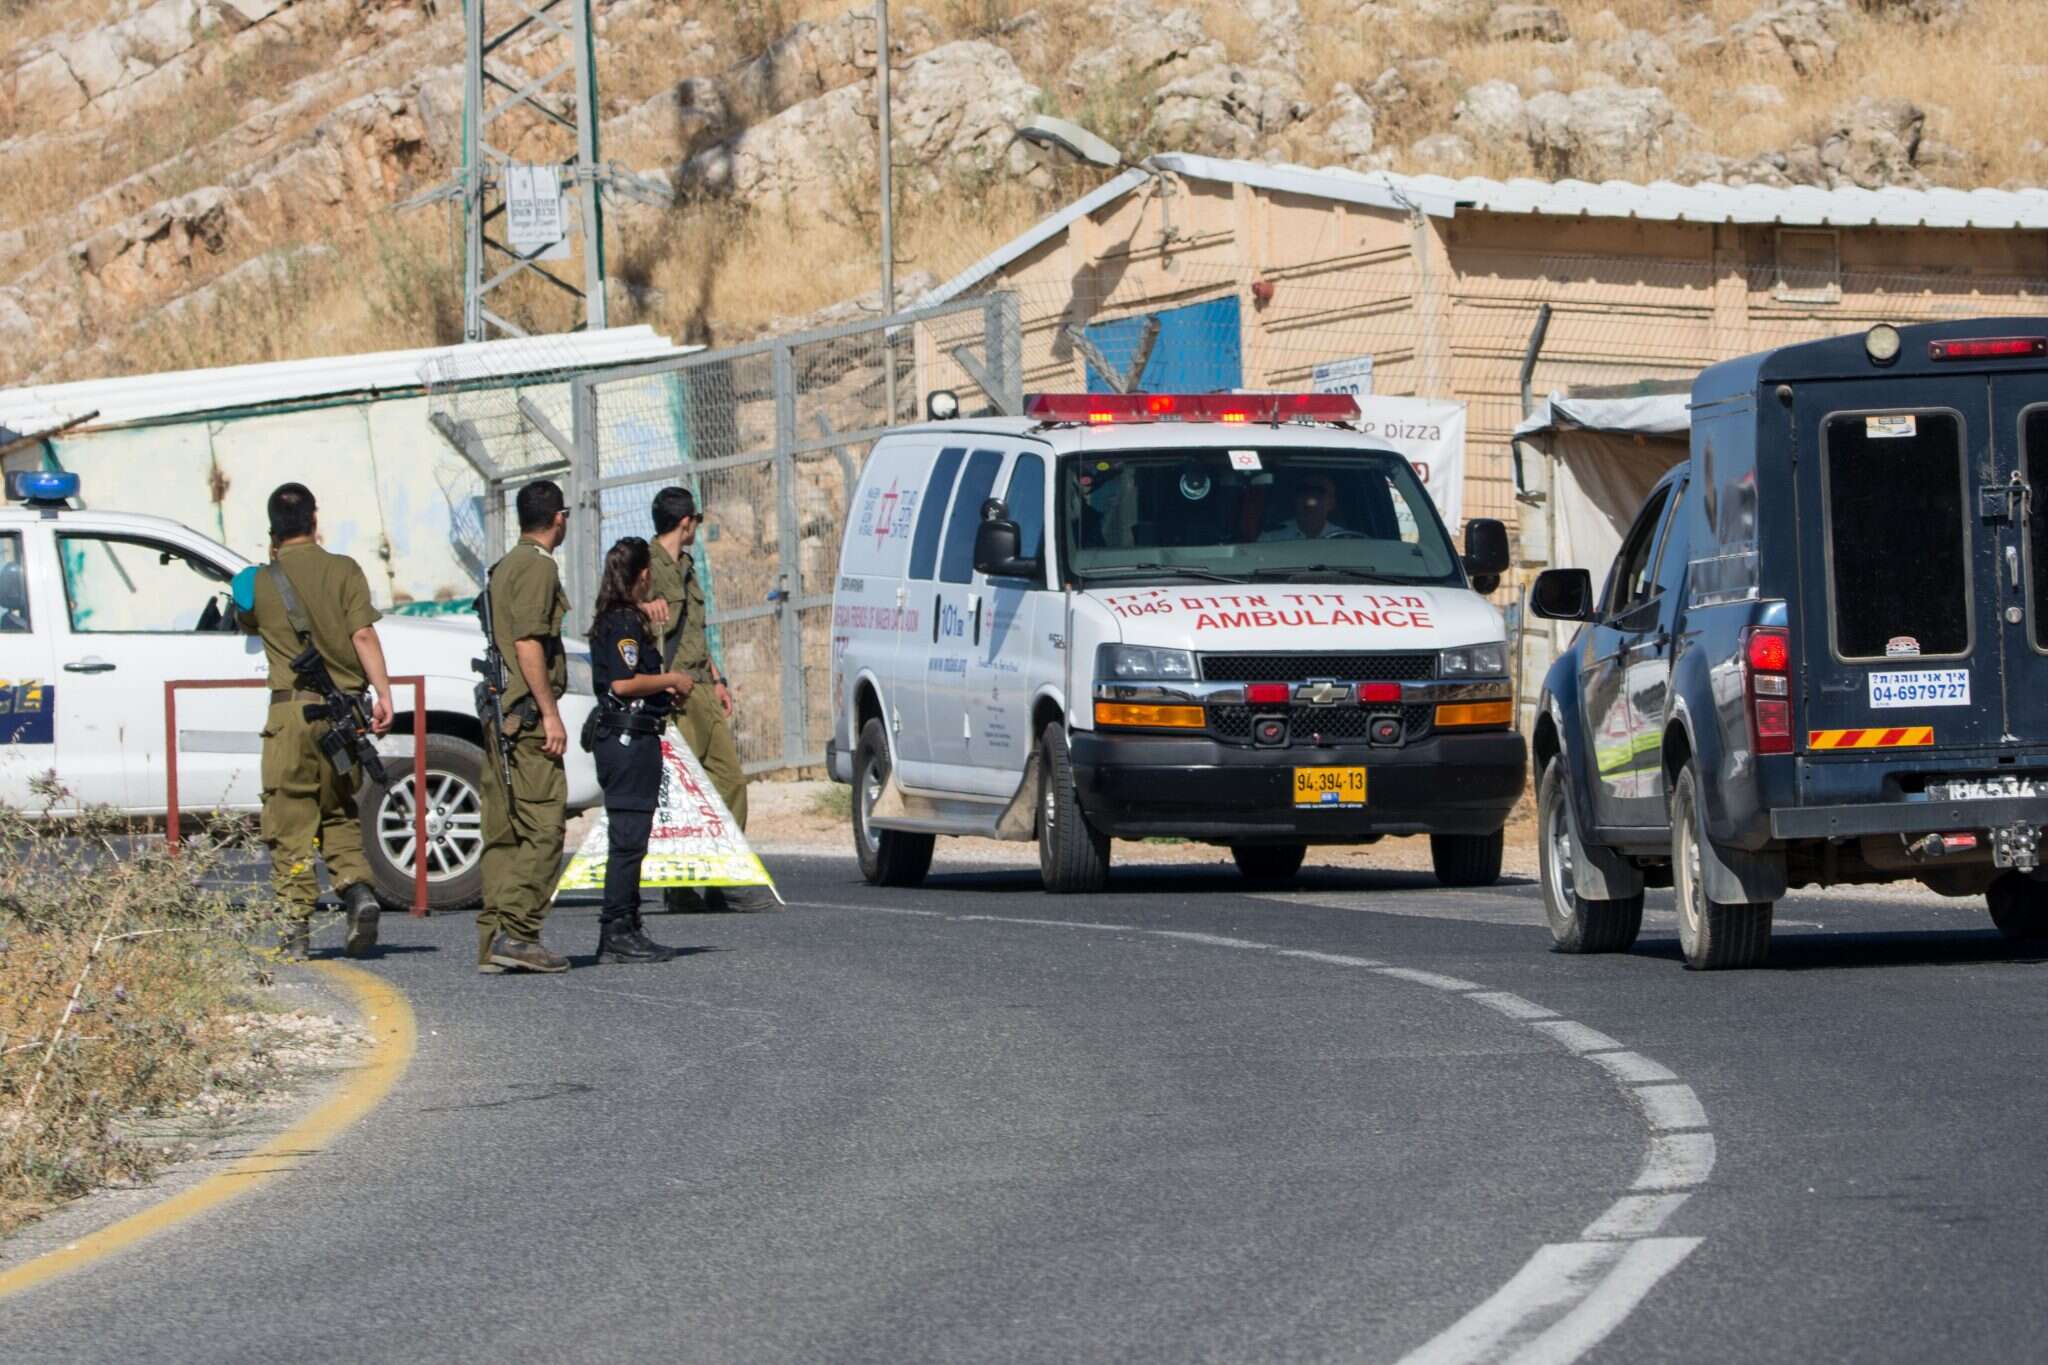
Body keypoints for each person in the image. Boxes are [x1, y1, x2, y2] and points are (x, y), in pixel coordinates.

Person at [244, 483, 394, 961]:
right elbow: (363, 635)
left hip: (290, 715)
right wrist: (383, 693)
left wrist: (272, 558)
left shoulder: (255, 582)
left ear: (272, 531)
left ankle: (295, 928)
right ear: (315, 520)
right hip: (343, 715)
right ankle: (358, 892)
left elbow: (245, 618)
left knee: (289, 818)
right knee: (339, 810)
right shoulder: (345, 569)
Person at [642, 486, 771, 912]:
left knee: (729, 782)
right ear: (686, 522)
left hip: (701, 687)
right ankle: (681, 886)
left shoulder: (685, 565)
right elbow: (630, 620)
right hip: (673, 692)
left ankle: (719, 876)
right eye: (695, 520)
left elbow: (694, 630)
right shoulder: (647, 565)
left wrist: (717, 679)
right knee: (682, 791)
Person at [477, 480, 573, 974]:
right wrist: (550, 712)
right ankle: (517, 932)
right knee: (545, 826)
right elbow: (529, 643)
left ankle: (494, 938)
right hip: (528, 717)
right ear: (558, 518)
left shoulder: (505, 566)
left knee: (506, 829)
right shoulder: (538, 566)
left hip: (504, 715)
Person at [586, 537, 694, 963]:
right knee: (628, 840)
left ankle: (627, 925)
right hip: (626, 741)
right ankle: (616, 929)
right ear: (644, 574)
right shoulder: (623, 623)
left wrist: (663, 695)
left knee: (632, 839)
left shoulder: (619, 618)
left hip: (633, 737)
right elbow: (623, 683)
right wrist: (672, 679)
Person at [1261, 472, 1358, 541]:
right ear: (1295, 500)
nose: (1310, 499)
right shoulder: (1271, 537)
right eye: (1304, 491)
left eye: (1319, 492)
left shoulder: (1345, 540)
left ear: (1331, 503)